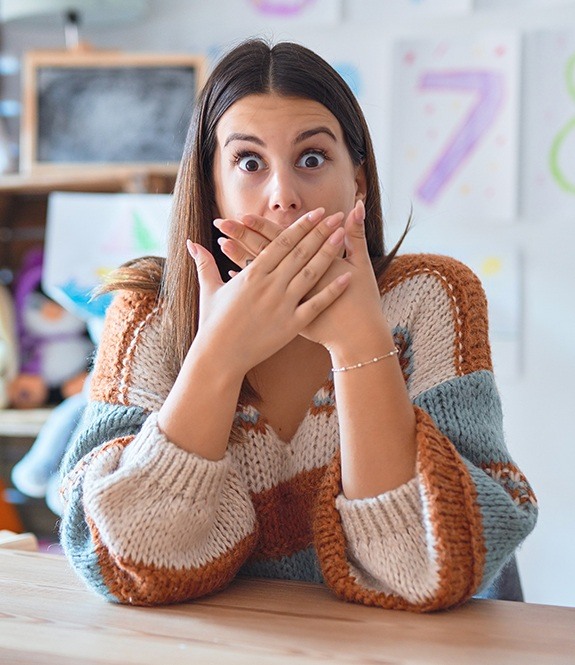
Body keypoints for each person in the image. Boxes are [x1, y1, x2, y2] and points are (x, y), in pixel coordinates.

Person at [59, 39, 537, 611]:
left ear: (357, 181)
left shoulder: (430, 297)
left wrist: (360, 342)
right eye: (249, 162)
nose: (283, 196)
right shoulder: (148, 315)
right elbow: (126, 566)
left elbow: (421, 570)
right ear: (211, 184)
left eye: (312, 159)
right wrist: (218, 354)